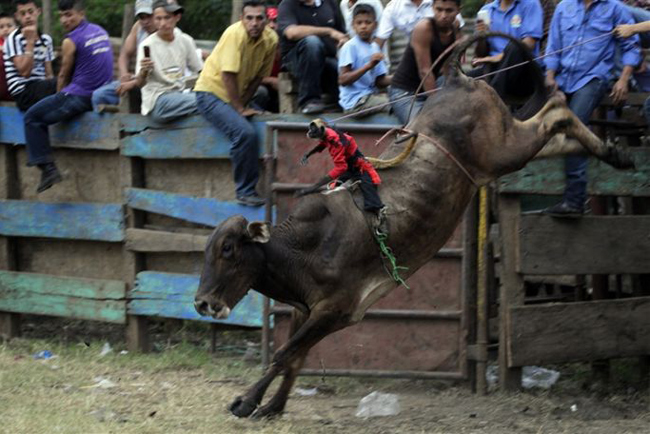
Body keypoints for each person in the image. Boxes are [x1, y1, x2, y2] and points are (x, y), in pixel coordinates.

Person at [542, 0, 641, 217]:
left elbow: (631, 47)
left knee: (574, 124)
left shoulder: (615, 8)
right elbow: (553, 47)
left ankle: (575, 201)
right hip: (562, 78)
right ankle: (541, 190)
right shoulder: (564, 7)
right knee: (539, 122)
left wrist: (623, 79)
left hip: (593, 78)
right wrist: (550, 77)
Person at [23, 0, 113, 193]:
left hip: (79, 96)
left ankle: (48, 169)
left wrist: (59, 97)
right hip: (100, 94)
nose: (64, 20)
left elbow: (63, 75)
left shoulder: (70, 40)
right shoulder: (100, 31)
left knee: (32, 117)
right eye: (61, 16)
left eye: (69, 14)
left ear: (81, 13)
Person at [194, 0, 277, 207]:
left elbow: (259, 77)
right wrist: (239, 109)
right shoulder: (234, 35)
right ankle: (245, 191)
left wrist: (245, 103)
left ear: (266, 20)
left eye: (259, 18)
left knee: (263, 99)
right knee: (245, 133)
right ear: (242, 19)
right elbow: (227, 75)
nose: (255, 23)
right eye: (249, 18)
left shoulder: (271, 39)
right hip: (210, 93)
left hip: (236, 94)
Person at [297, 119, 386, 233]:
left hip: (357, 166)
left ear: (322, 130)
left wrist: (315, 187)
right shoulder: (327, 133)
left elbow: (341, 168)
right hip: (348, 166)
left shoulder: (336, 142)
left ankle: (380, 216)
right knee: (334, 187)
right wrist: (308, 154)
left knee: (368, 189)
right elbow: (322, 144)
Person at [388, 0, 459, 124]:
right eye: (439, 9)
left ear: (458, 10)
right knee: (424, 126)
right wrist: (437, 106)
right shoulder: (424, 27)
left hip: (433, 85)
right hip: (405, 93)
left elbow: (448, 66)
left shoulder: (455, 27)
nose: (443, 15)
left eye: (449, 10)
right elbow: (424, 71)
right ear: (432, 8)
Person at [133, 0, 202, 122]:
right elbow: (140, 83)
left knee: (212, 100)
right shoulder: (147, 45)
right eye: (158, 19)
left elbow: (201, 71)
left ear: (177, 17)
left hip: (180, 96)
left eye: (167, 18)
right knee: (205, 101)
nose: (163, 23)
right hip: (158, 101)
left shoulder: (185, 40)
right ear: (154, 20)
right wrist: (144, 71)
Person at [278, 0, 348, 114]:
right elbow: (292, 33)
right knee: (312, 42)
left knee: (339, 68)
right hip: (297, 60)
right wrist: (329, 31)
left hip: (327, 58)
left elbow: (341, 33)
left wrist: (343, 41)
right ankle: (309, 101)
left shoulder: (330, 4)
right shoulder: (287, 4)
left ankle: (344, 104)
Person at [470, 0, 544, 102]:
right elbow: (480, 54)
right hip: (494, 69)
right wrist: (481, 36)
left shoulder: (531, 4)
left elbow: (530, 43)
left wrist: (498, 57)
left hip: (524, 70)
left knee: (516, 45)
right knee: (465, 80)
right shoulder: (487, 10)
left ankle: (492, 99)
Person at [91, 0, 157, 110]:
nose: (145, 21)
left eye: (149, 16)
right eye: (142, 17)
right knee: (99, 96)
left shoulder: (165, 33)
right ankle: (108, 126)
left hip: (154, 85)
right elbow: (124, 55)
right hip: (136, 79)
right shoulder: (138, 28)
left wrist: (134, 83)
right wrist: (124, 74)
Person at [338, 4, 390, 117]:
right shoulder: (350, 46)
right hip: (355, 102)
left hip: (370, 96)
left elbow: (379, 81)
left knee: (401, 99)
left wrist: (401, 77)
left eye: (368, 22)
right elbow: (343, 80)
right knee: (393, 105)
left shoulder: (375, 47)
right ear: (353, 25)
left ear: (375, 25)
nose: (363, 26)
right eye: (359, 23)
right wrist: (369, 66)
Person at [2, 0, 55, 111]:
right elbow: (25, 73)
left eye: (31, 12)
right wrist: (30, 41)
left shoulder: (46, 40)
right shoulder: (13, 38)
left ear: (38, 12)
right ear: (17, 17)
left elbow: (49, 73)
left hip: (41, 88)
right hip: (23, 91)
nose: (27, 17)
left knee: (68, 82)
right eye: (23, 13)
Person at [374, 0, 464, 49]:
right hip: (416, 53)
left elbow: (457, 25)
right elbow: (380, 40)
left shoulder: (444, 3)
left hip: (445, 53)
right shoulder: (393, 8)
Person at [0, 11, 17, 101]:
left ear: (16, 28)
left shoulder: (18, 41)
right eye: (1, 27)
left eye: (9, 26)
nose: (5, 29)